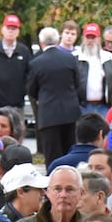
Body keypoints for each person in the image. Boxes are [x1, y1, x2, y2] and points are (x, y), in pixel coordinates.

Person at [26, 27, 83, 159]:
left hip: (48, 114)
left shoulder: (36, 63)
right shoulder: (70, 59)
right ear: (57, 41)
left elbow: (31, 89)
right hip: (70, 113)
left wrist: (41, 98)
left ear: (41, 42)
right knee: (71, 153)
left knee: (52, 156)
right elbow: (78, 85)